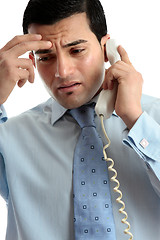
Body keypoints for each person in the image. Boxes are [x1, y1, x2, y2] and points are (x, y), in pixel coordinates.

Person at [0, 0, 160, 239]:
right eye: (46, 56)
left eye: (76, 50)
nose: (62, 72)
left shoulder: (152, 118)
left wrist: (135, 120)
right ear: (32, 60)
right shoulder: (10, 135)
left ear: (107, 50)